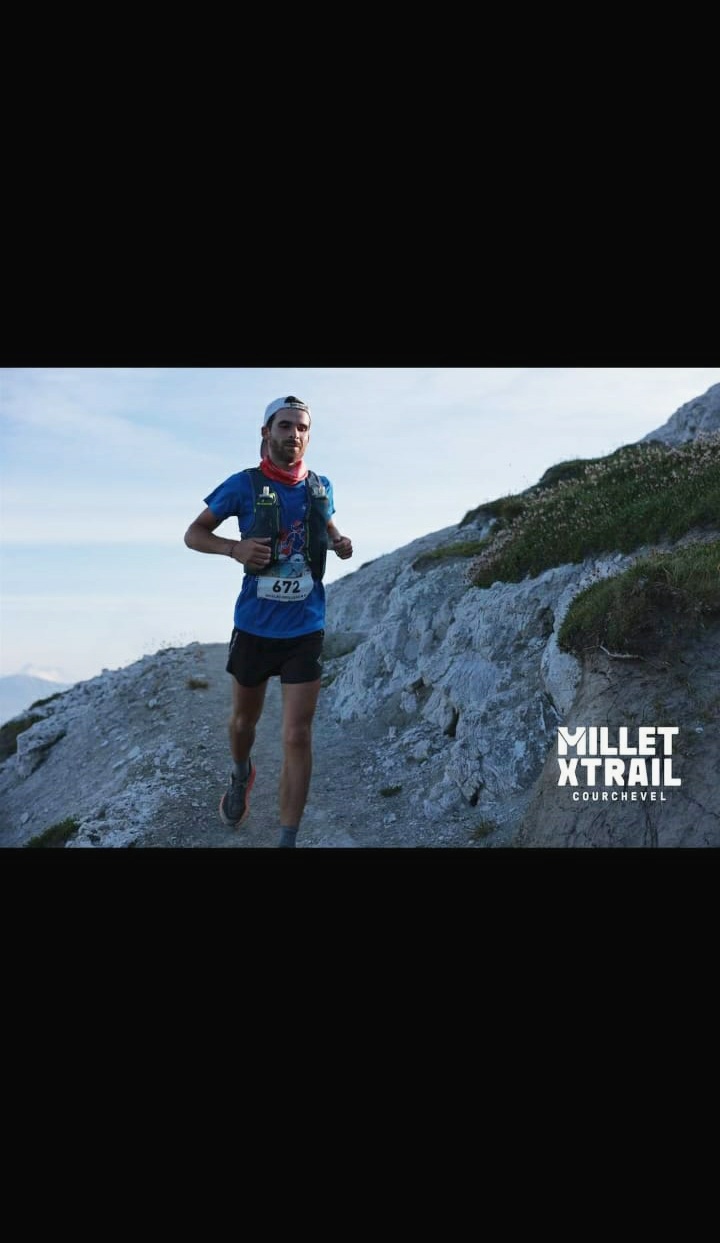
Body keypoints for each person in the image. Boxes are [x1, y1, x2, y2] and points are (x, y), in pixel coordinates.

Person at [184, 396, 353, 848]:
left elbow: (327, 524)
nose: (293, 434)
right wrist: (233, 549)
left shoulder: (321, 485)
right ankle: (241, 773)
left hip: (306, 627)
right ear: (266, 432)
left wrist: (339, 542)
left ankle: (287, 840)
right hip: (255, 626)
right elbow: (193, 534)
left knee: (297, 735)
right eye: (284, 425)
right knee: (244, 723)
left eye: (302, 427)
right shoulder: (243, 485)